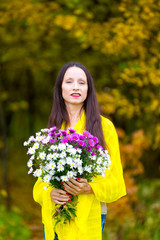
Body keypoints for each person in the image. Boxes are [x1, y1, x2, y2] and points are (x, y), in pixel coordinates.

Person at [33, 62, 126, 240]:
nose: (75, 86)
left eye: (81, 82)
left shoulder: (104, 127)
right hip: (55, 215)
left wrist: (89, 188)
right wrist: (50, 193)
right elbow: (39, 184)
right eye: (69, 81)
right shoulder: (54, 130)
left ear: (88, 89)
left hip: (90, 215)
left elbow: (116, 182)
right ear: (60, 88)